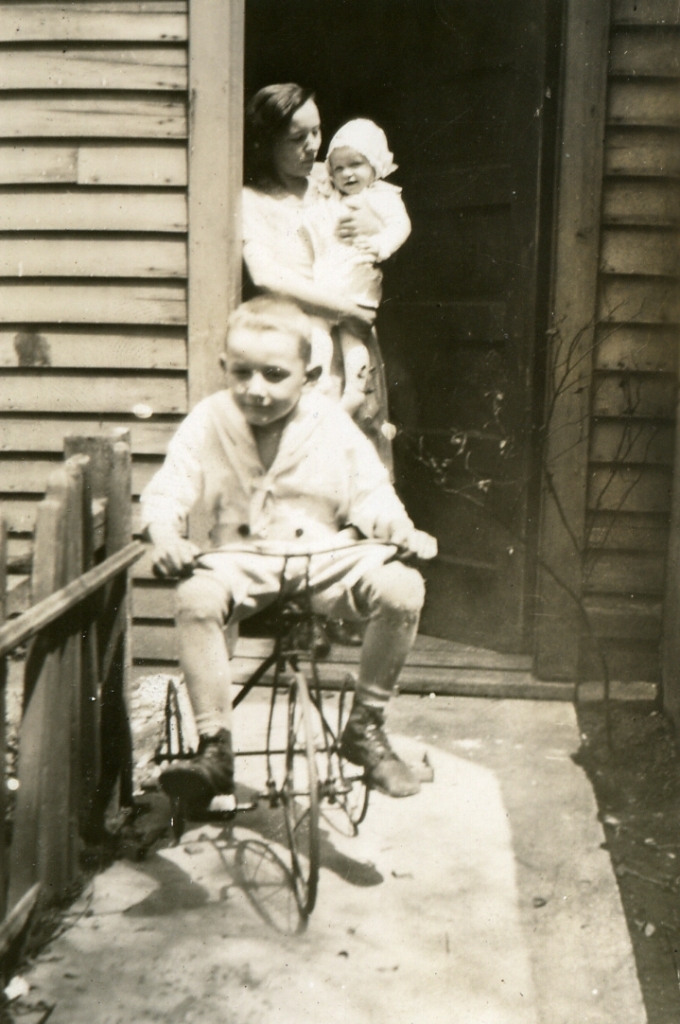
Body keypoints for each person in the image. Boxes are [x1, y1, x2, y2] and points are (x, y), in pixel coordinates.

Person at [140, 295, 437, 811]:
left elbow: (372, 494)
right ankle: (214, 747)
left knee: (403, 587)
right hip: (242, 560)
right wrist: (166, 536)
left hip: (325, 558)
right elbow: (168, 491)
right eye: (242, 373)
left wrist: (400, 530)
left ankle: (366, 726)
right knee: (195, 596)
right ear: (224, 367)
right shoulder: (209, 420)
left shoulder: (332, 424)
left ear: (310, 375)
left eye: (275, 374)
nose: (256, 388)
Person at [242, 83, 393, 465]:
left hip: (352, 338)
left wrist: (374, 226)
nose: (312, 145)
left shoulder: (336, 178)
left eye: (317, 131)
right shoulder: (253, 200)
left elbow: (384, 221)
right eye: (297, 138)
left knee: (357, 463)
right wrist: (346, 311)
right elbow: (266, 276)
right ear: (267, 142)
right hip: (299, 343)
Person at [306, 119, 411, 419]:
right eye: (339, 168)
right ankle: (319, 383)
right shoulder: (331, 193)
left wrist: (381, 244)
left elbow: (400, 225)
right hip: (327, 281)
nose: (347, 174)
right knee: (318, 332)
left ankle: (355, 388)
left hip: (357, 282)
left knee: (353, 339)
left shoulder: (382, 196)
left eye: (356, 164)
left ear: (375, 165)